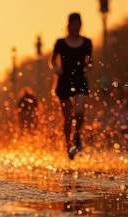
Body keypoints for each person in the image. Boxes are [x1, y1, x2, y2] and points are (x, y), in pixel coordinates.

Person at [51, 12, 92, 160]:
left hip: (80, 80)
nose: (76, 27)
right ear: (69, 26)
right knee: (67, 118)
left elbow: (90, 60)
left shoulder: (87, 42)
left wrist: (89, 64)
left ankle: (77, 134)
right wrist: (56, 68)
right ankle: (68, 144)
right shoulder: (60, 43)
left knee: (80, 111)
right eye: (74, 25)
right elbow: (53, 61)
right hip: (64, 81)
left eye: (78, 25)